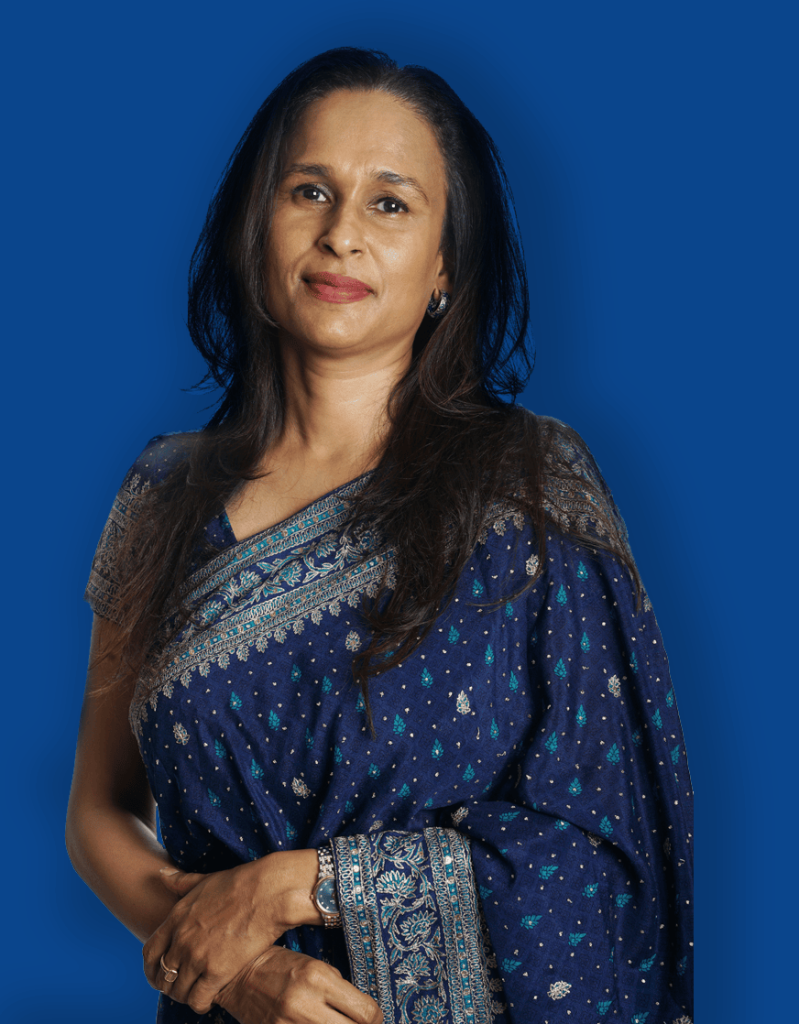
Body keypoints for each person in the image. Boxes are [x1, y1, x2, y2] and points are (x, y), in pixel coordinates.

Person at [66, 47, 693, 1024]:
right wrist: (237, 971)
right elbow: (100, 810)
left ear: (445, 263)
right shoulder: (161, 494)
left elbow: (606, 846)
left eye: (389, 203)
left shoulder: (529, 484)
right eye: (309, 191)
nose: (342, 234)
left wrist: (299, 887)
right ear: (255, 223)